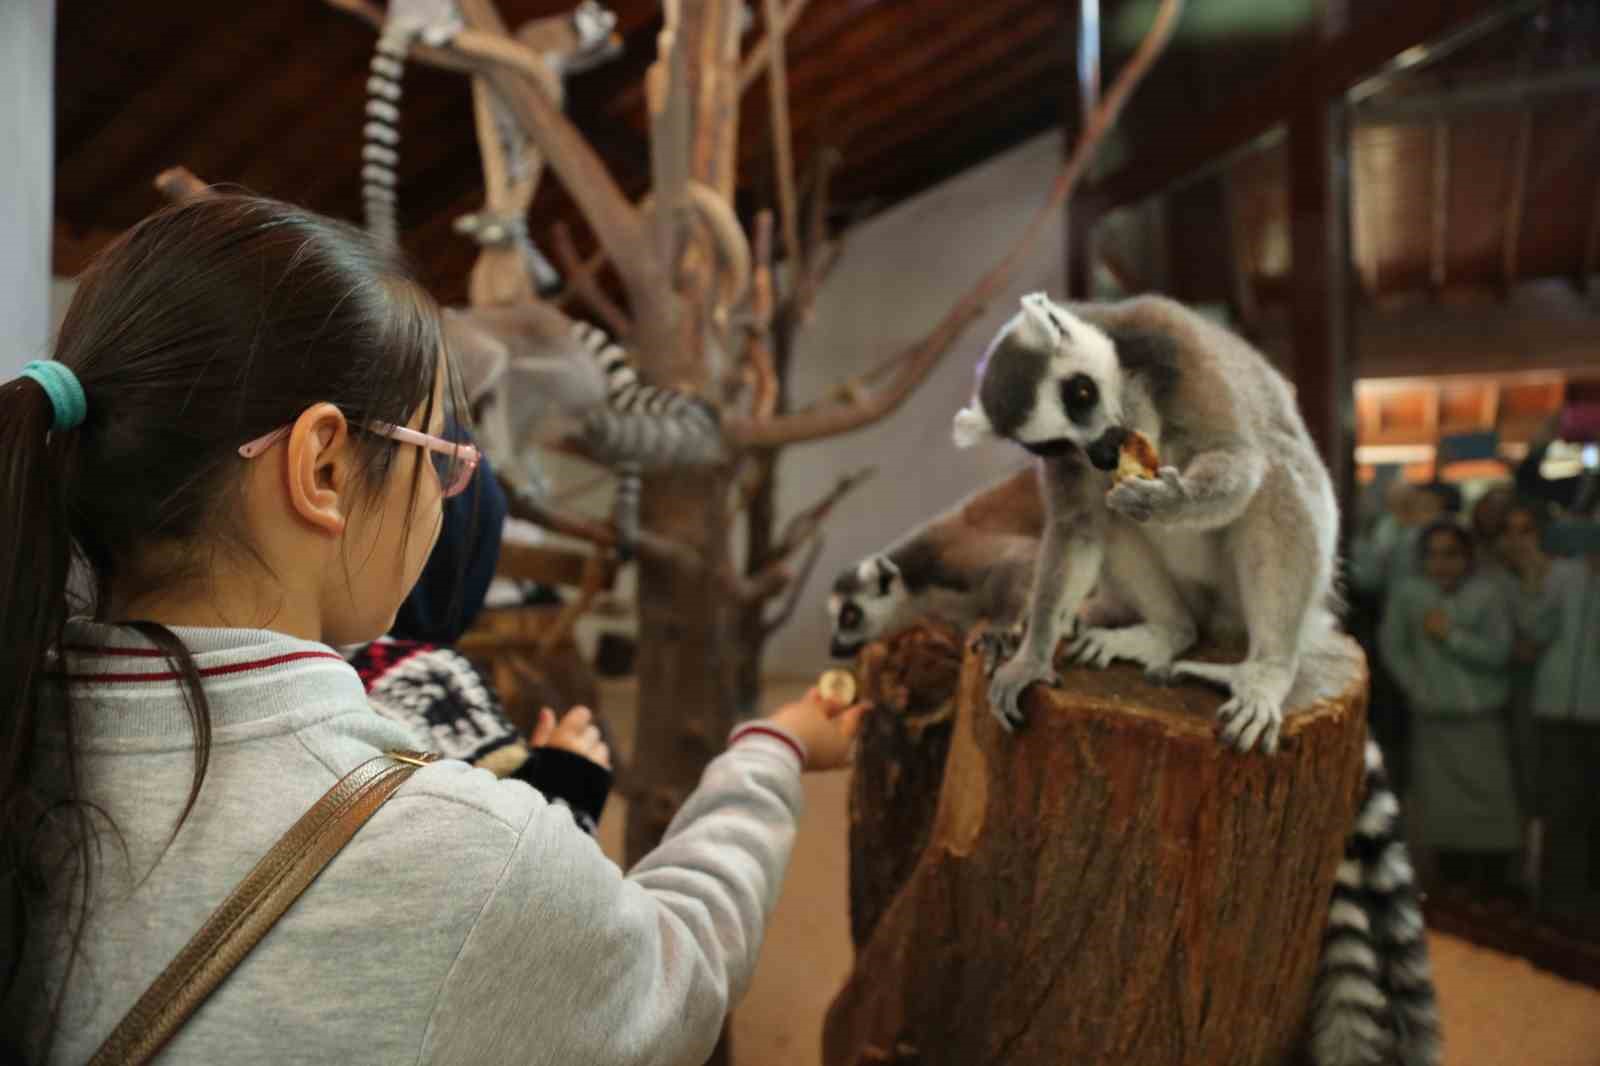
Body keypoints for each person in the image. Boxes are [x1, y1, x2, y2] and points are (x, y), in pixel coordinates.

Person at [0, 195, 868, 1065]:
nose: (443, 497)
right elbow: (682, 975)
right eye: (439, 456)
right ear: (324, 467)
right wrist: (770, 754)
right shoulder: (462, 853)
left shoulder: (22, 735)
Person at [1379, 519, 1521, 899]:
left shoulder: (1488, 596)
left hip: (1480, 720)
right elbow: (1394, 649)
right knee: (1443, 812)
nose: (1441, 564)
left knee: (1493, 806)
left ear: (1467, 558)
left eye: (1451, 555)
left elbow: (1500, 652)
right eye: (1433, 555)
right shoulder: (1409, 595)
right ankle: (1452, 898)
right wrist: (1420, 689)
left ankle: (1492, 892)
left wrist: (1453, 637)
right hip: (1433, 719)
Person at [1507, 515, 1600, 934]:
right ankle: (1556, 906)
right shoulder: (1565, 573)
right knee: (1558, 806)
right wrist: (1531, 579)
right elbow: (1534, 627)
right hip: (1556, 709)